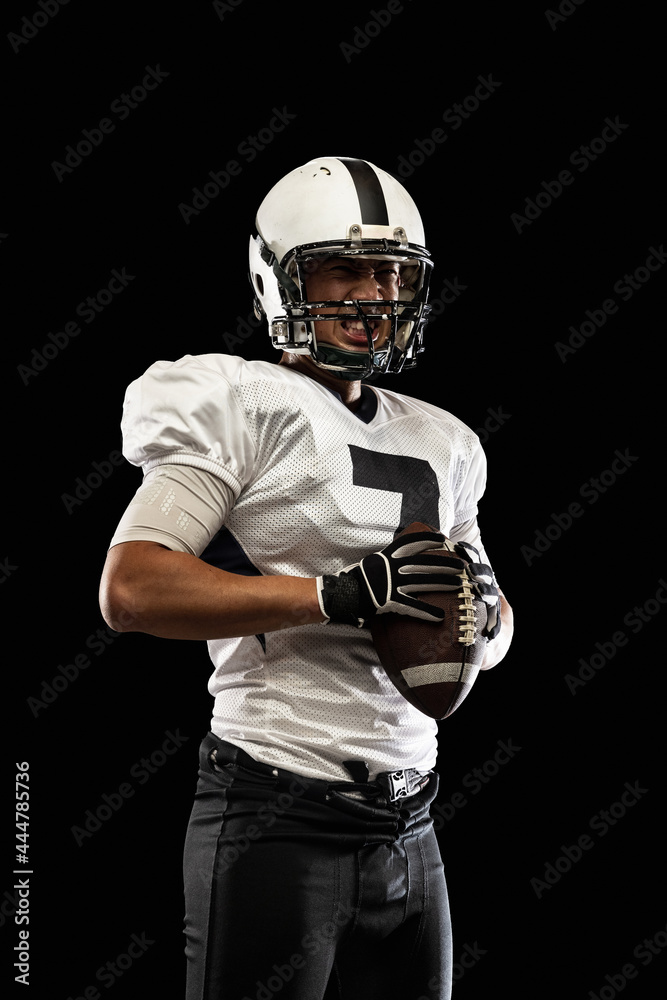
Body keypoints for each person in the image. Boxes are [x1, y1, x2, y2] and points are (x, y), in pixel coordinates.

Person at [99, 155, 513, 1000]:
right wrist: (336, 594)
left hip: (411, 818)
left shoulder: (446, 440)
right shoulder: (239, 402)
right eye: (341, 269)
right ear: (278, 280)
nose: (370, 295)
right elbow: (133, 589)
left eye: (390, 273)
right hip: (275, 811)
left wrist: (474, 620)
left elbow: (497, 620)